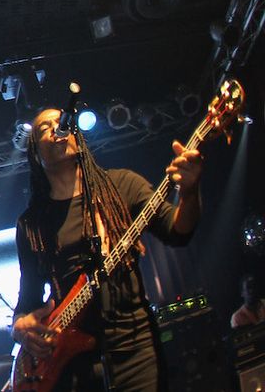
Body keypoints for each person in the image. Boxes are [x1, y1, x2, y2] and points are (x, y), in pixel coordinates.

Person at [11, 107, 203, 391]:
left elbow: (178, 232)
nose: (57, 128)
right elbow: (27, 300)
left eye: (62, 122)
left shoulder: (121, 185)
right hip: (71, 364)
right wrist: (20, 329)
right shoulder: (32, 224)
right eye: (44, 128)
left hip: (134, 346)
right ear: (36, 155)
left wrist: (189, 192)